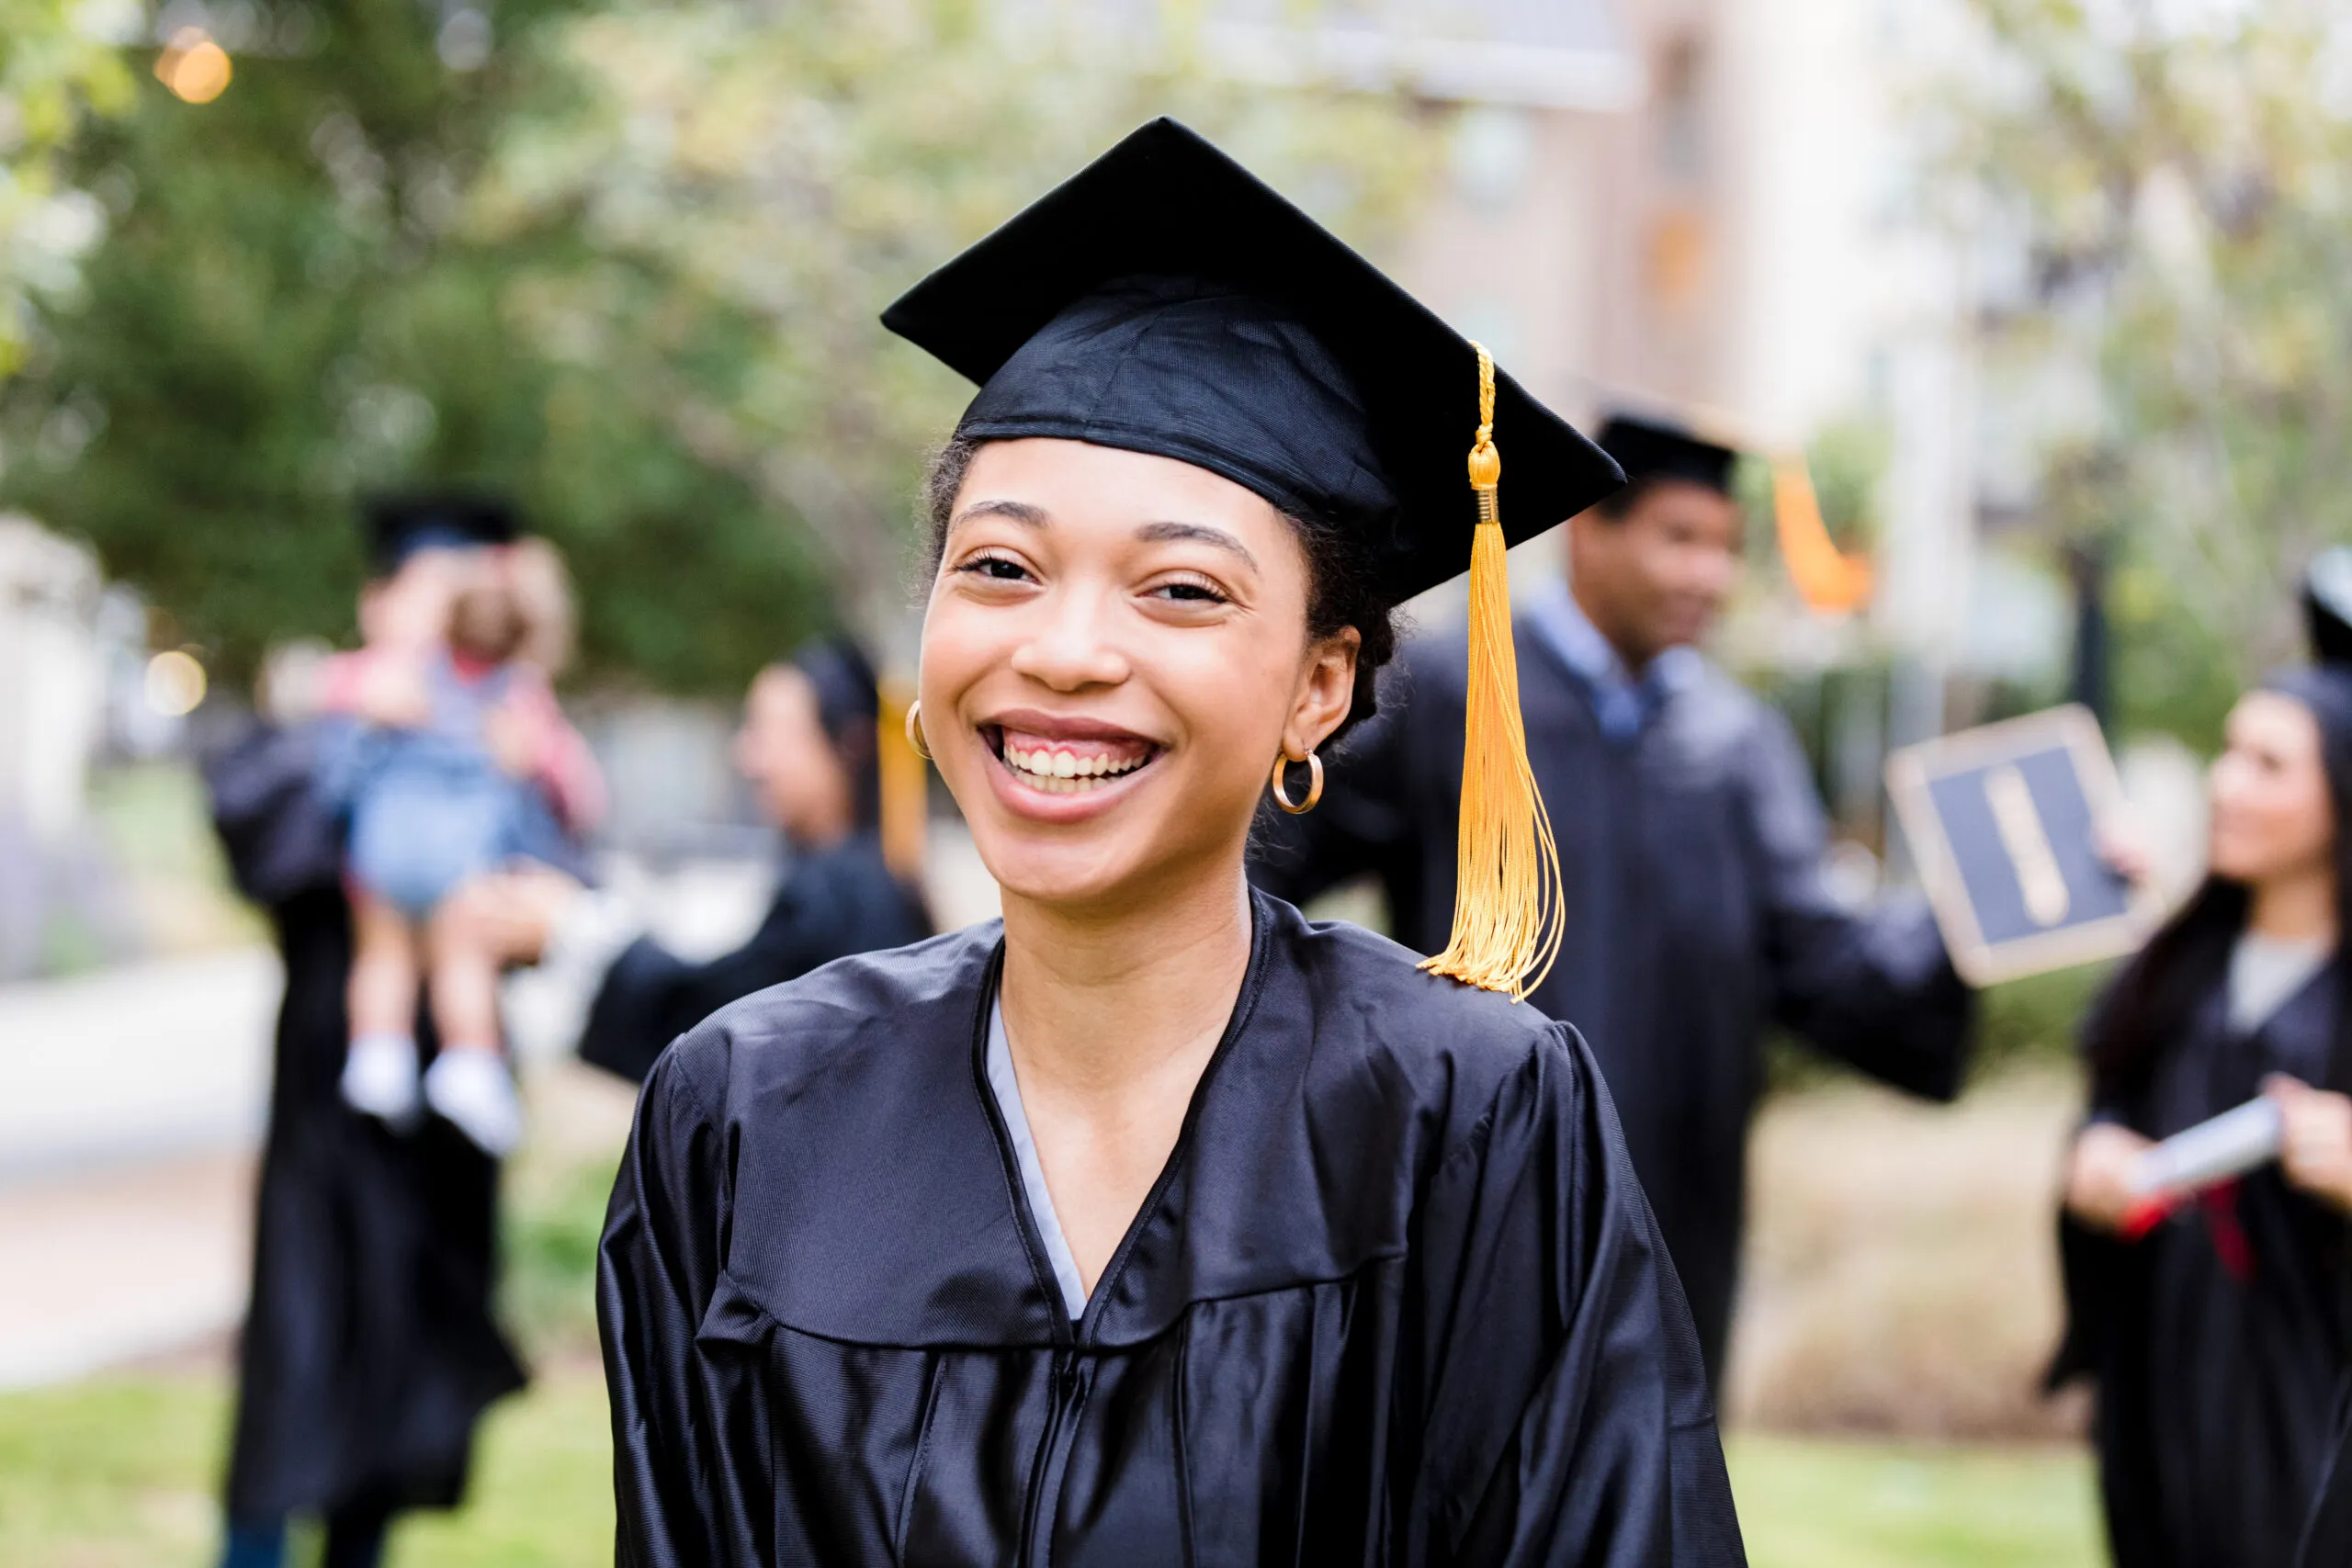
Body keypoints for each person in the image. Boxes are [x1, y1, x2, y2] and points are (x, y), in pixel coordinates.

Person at [596, 118, 1743, 1565]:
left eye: (1180, 589)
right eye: (1001, 567)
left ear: (1320, 683)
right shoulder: (742, 1113)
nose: (1065, 650)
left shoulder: (1468, 1114)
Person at [1250, 410, 1974, 1385]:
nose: (1707, 576)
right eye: (1679, 538)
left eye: (1725, 549)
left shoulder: (1735, 745)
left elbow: (1825, 966)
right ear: (1589, 530)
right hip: (1468, 1193)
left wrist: (1977, 912)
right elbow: (1262, 868)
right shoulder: (1450, 692)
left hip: (1672, 1219)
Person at [202, 493, 528, 1568]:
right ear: (376, 601)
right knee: (296, 1364)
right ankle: (250, 1551)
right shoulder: (327, 724)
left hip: (445, 1099)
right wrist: (354, 726)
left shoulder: (498, 718)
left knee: (404, 1377)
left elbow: (548, 880)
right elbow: (262, 845)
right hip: (328, 1094)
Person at [2053, 591, 2352, 1568]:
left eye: (2269, 764)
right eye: (2228, 751)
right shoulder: (2171, 974)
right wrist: (2089, 1162)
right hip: (2160, 1394)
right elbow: (2103, 1114)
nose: (2225, 783)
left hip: (2306, 1411)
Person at [438, 635, 933, 1085]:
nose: (748, 759)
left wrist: (572, 925)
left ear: (848, 744)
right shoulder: (858, 884)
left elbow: (720, 1031)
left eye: (767, 733)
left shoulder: (846, 898)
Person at [318, 536, 603, 1154]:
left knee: (383, 958)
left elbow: (335, 748)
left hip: (382, 853)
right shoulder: (508, 696)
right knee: (461, 962)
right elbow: (579, 795)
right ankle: (470, 1063)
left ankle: (376, 1055)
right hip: (460, 862)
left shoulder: (397, 680)